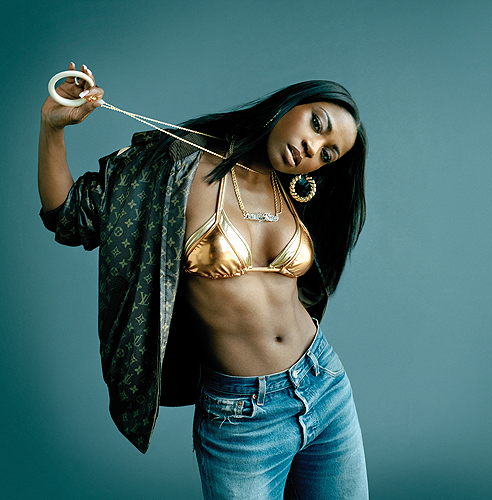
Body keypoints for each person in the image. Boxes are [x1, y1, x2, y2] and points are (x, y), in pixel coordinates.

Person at [39, 62, 369, 500]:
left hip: (324, 383)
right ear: (291, 103)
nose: (313, 146)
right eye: (317, 123)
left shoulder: (294, 193)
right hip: (242, 416)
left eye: (327, 154)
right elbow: (66, 215)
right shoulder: (174, 168)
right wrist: (53, 127)